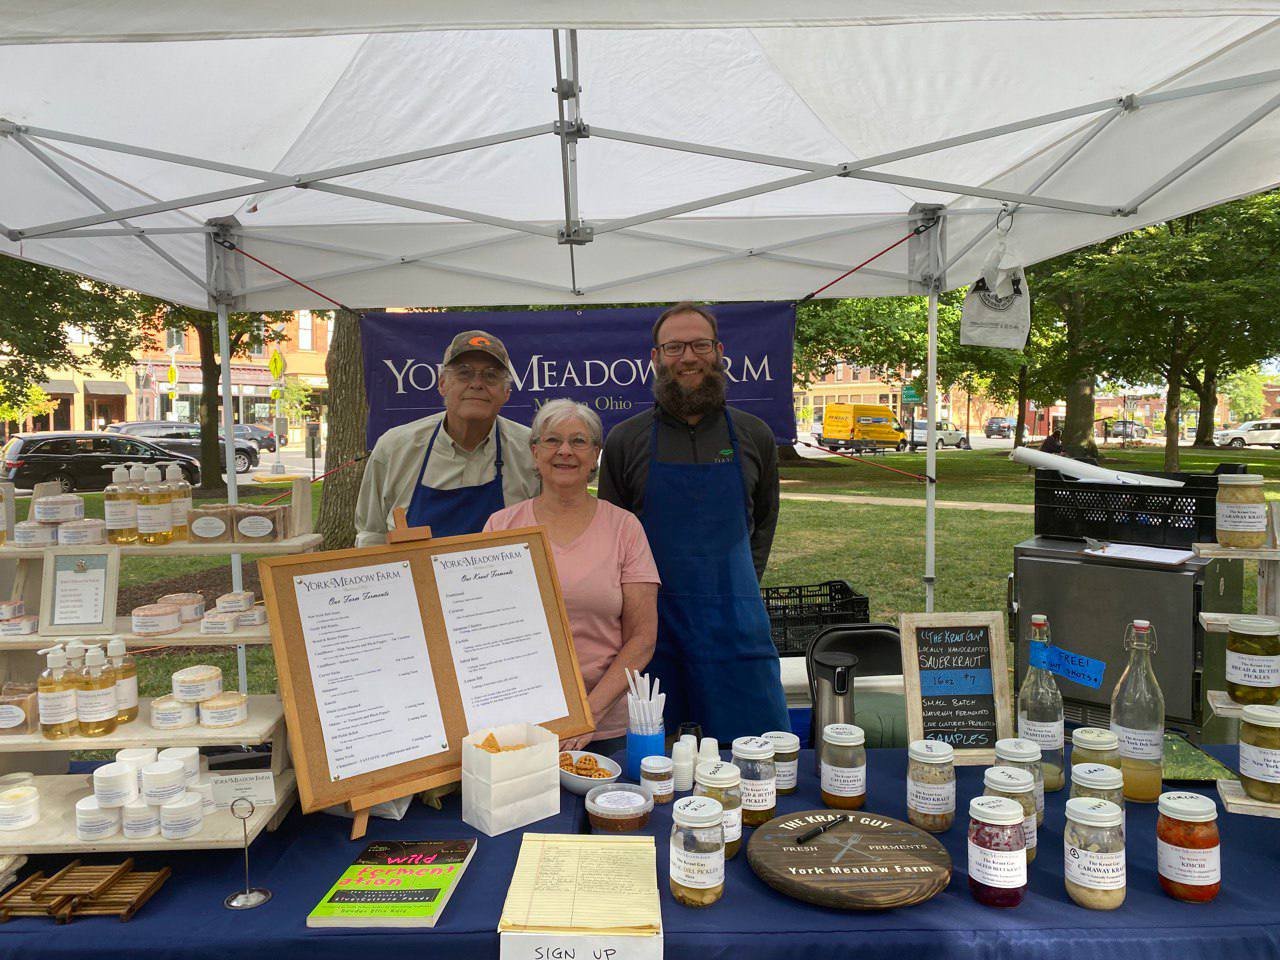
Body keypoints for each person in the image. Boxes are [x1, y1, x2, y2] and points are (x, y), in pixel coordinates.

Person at [598, 301, 788, 742]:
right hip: (655, 635)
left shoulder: (755, 434)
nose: (688, 357)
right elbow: (614, 542)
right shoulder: (625, 441)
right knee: (658, 765)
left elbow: (763, 523)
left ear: (719, 351)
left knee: (755, 760)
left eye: (700, 345)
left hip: (737, 631)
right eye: (674, 347)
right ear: (655, 357)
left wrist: (736, 589)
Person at [485, 399, 659, 756]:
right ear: (535, 452)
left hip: (604, 727)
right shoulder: (500, 527)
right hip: (519, 725)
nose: (565, 451)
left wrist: (587, 715)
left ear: (595, 454)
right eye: (552, 441)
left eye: (579, 441)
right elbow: (484, 631)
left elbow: (642, 639)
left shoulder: (624, 528)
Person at [355, 330, 538, 545]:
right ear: (442, 384)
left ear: (506, 392)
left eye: (490, 375)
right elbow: (372, 535)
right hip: (416, 577)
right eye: (464, 373)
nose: (477, 384)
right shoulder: (395, 448)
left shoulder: (531, 451)